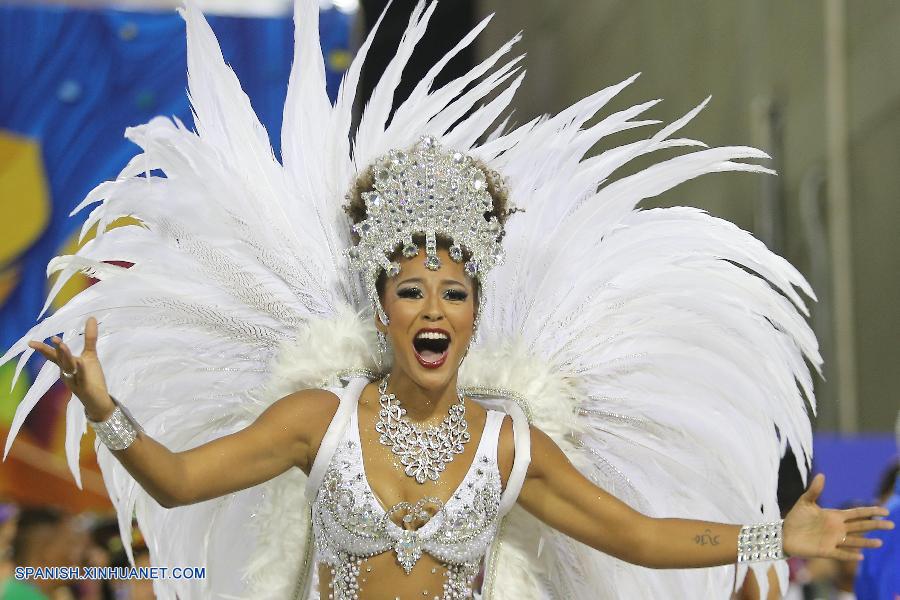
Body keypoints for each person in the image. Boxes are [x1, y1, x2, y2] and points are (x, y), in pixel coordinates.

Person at [3, 2, 894, 599]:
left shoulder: (511, 441)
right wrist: (105, 406)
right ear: (383, 307)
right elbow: (181, 478)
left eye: (454, 292)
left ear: (472, 312)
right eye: (412, 290)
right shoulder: (318, 418)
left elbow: (637, 534)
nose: (433, 309)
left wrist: (772, 540)